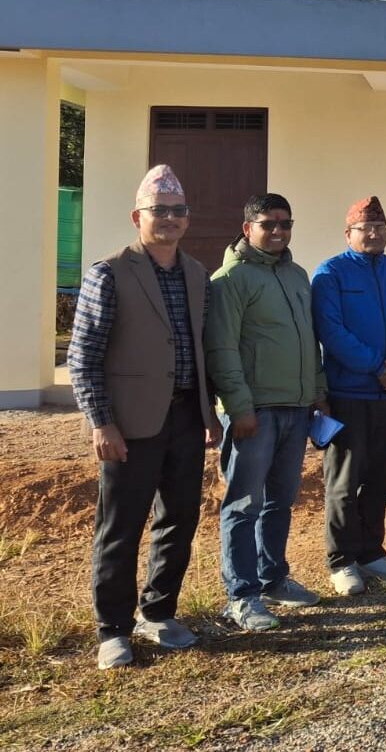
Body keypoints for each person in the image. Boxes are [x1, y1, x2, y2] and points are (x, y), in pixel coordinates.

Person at [69, 165, 220, 669]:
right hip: (130, 422)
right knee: (121, 525)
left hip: (184, 417)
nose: (170, 219)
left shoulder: (197, 274)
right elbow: (84, 353)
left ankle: (158, 613)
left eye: (179, 211)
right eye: (160, 211)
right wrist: (100, 421)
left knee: (179, 518)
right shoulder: (109, 272)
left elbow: (204, 349)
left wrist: (210, 414)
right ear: (138, 216)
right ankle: (112, 628)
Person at [205, 192, 326, 633]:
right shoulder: (229, 280)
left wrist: (318, 393)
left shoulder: (296, 275)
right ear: (247, 229)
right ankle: (241, 596)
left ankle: (273, 578)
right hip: (254, 411)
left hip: (295, 408)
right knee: (243, 504)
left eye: (285, 223)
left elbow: (309, 340)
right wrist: (238, 408)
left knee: (280, 500)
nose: (278, 231)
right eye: (268, 224)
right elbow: (221, 350)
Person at [311, 196, 386, 595]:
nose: (374, 234)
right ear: (349, 234)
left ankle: (371, 551)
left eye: (380, 227)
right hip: (349, 393)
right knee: (344, 481)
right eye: (365, 228)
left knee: (380, 477)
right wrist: (379, 367)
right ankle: (342, 560)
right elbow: (332, 331)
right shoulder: (331, 274)